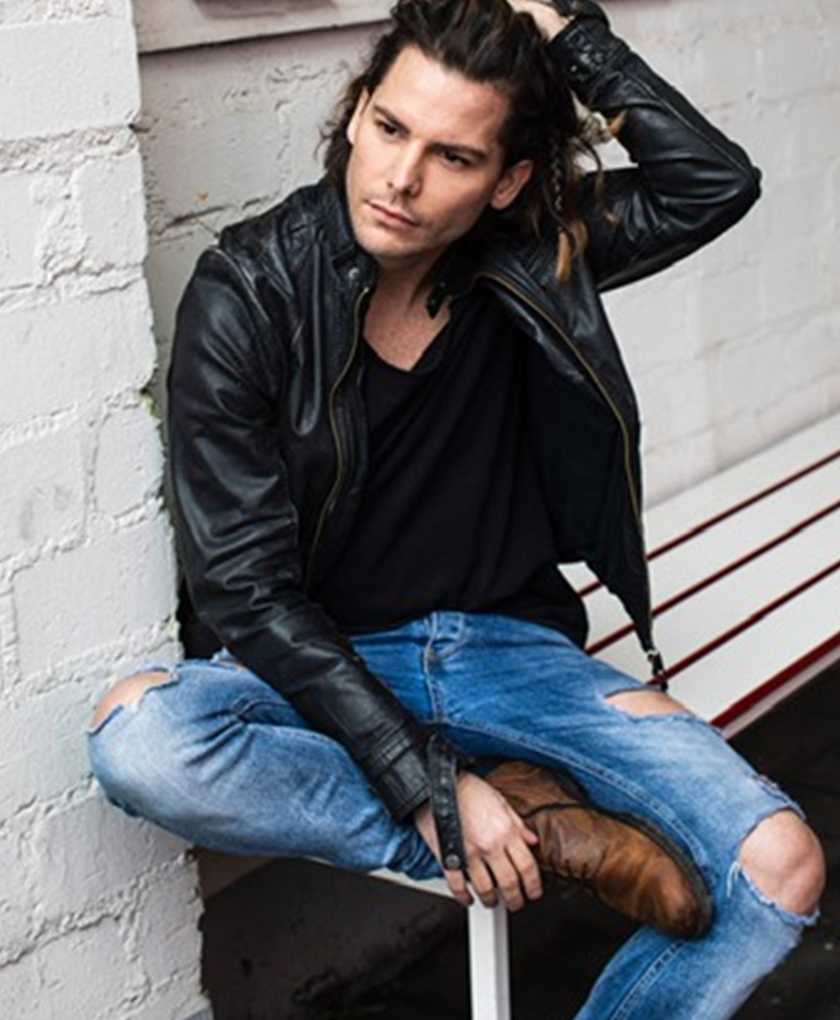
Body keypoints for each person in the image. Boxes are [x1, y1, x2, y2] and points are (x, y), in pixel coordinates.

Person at [89, 0, 825, 1015]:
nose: (401, 179)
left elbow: (713, 181)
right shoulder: (250, 292)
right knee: (143, 741)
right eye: (390, 128)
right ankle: (539, 833)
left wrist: (567, 32)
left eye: (453, 157)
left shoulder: (535, 251)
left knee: (778, 867)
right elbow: (246, 593)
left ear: (507, 181)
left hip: (511, 654)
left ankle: (509, 812)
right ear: (357, 114)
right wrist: (432, 792)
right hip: (329, 659)